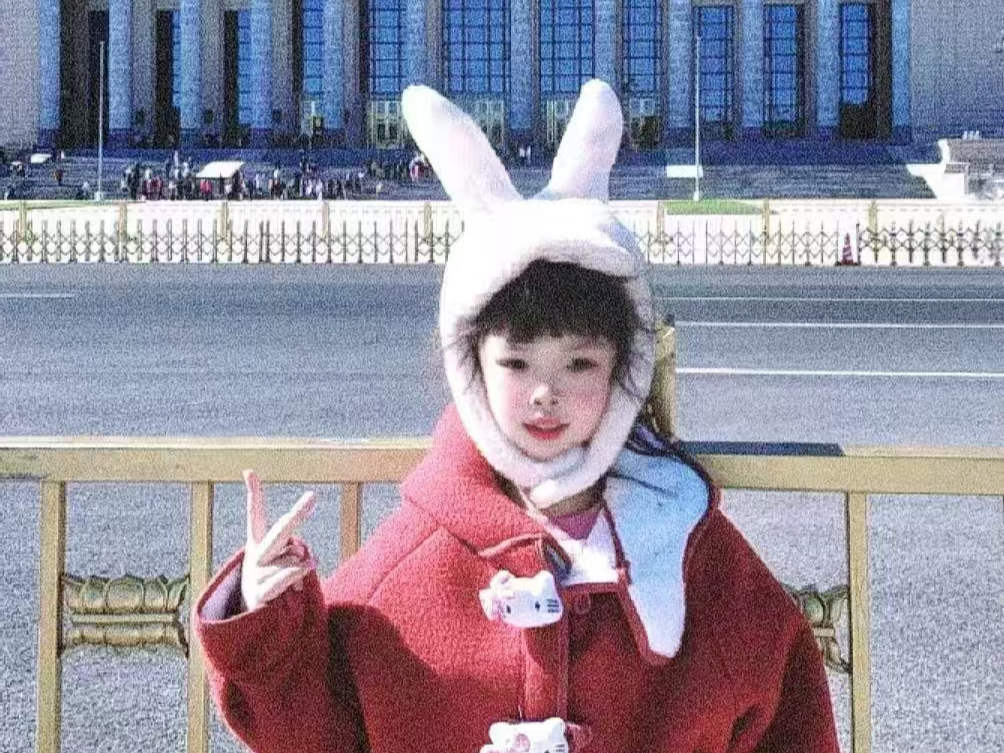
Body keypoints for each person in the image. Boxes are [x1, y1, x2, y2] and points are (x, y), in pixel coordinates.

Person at [193, 81, 838, 753]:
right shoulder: (416, 554)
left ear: (625, 368)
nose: (544, 394)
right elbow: (320, 726)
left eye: (580, 364)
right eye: (517, 363)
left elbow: (787, 704)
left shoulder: (685, 541)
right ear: (471, 367)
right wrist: (263, 618)